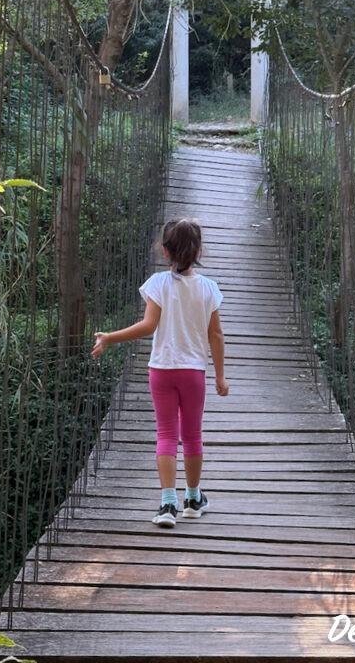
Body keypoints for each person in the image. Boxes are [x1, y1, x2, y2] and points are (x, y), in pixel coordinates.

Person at [92, 217, 229, 527]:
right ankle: (193, 499)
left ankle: (168, 504)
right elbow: (216, 335)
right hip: (193, 372)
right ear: (199, 251)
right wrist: (220, 375)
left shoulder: (157, 284)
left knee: (166, 435)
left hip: (162, 371)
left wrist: (110, 337)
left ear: (165, 252)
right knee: (192, 435)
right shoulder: (209, 289)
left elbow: (148, 326)